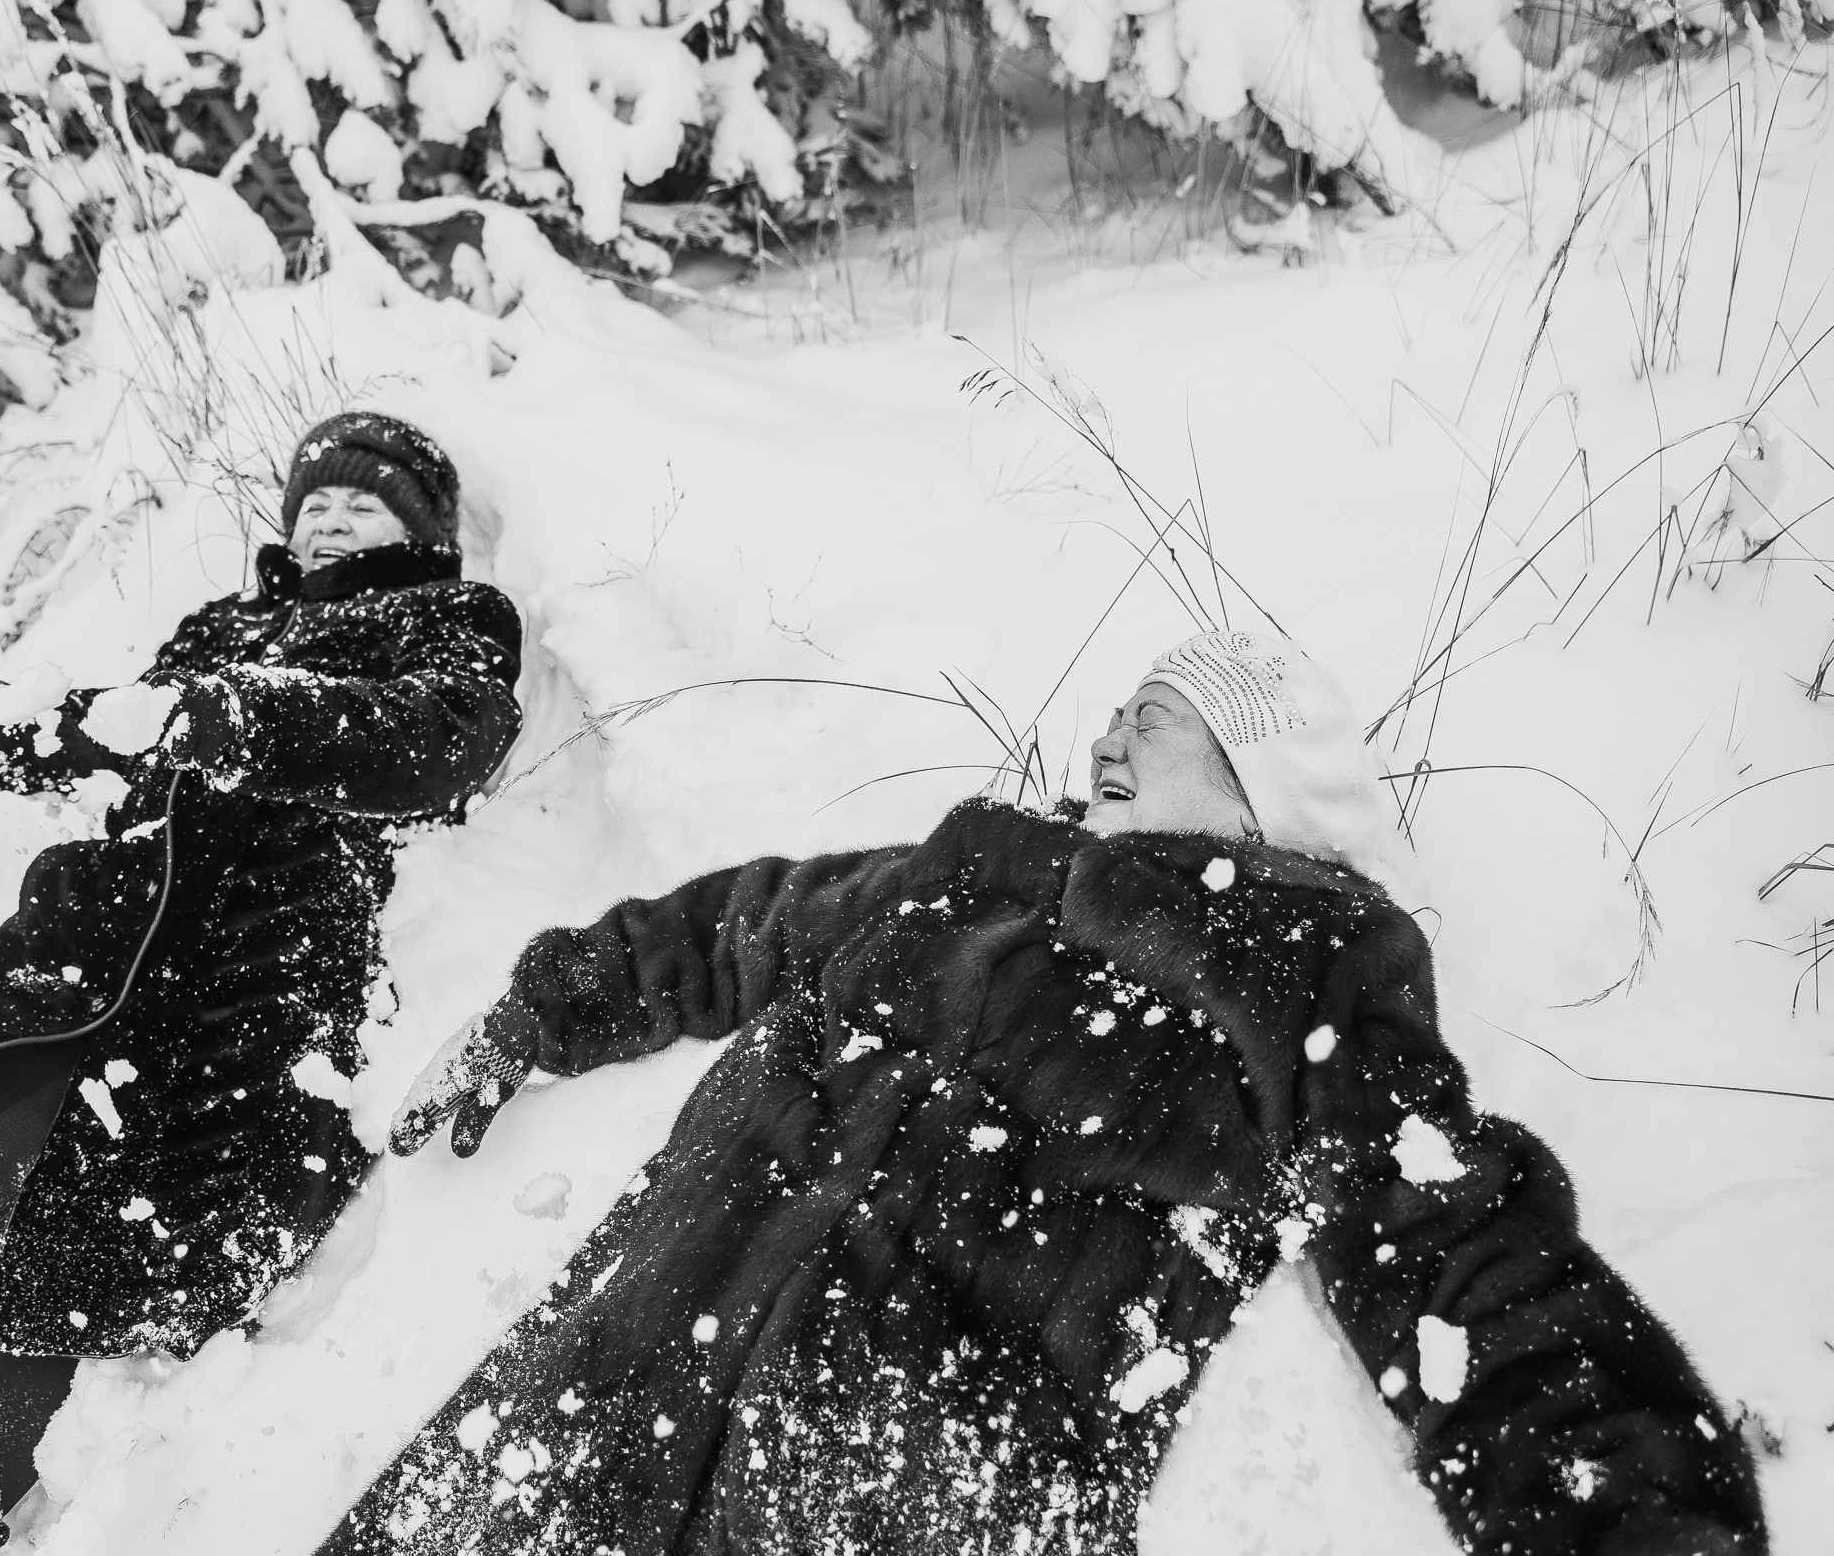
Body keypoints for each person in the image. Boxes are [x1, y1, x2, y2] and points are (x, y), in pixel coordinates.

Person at [337, 631, 1766, 1556]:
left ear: (1262, 770)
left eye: (1152, 718)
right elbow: (744, 925)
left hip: (886, 1474)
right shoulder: (975, 863)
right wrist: (543, 1011)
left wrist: (1625, 1509)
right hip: (613, 1368)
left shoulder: (1307, 956)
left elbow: (1452, 1241)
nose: (1104, 740)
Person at [0, 413, 524, 1556]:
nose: (330, 518)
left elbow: (439, 743)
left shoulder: (447, 620)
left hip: (250, 960)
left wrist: (228, 716)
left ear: (423, 532)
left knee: (105, 1205)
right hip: (95, 936)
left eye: (365, 503)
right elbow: (112, 733)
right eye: (314, 502)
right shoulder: (225, 621)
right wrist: (0, 729)